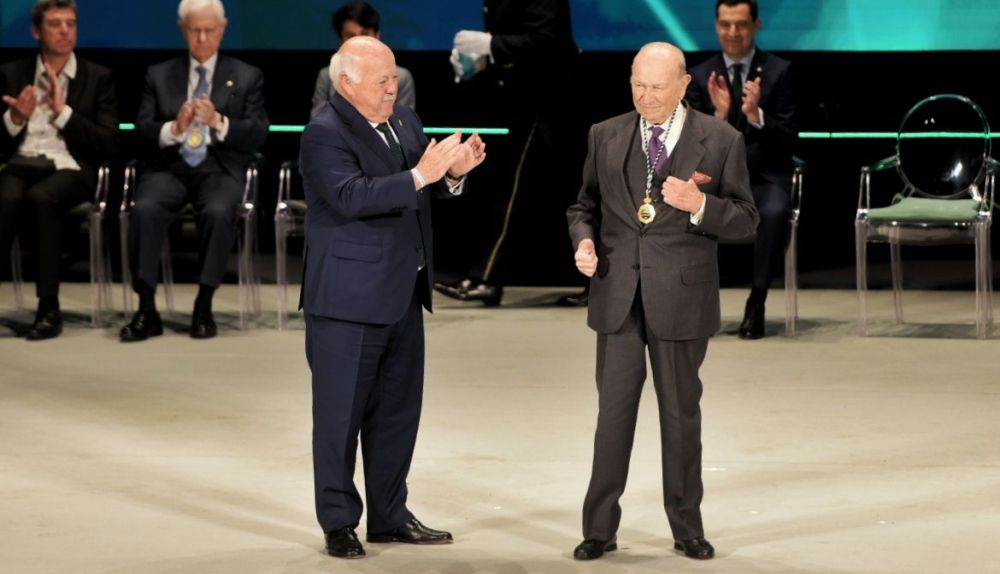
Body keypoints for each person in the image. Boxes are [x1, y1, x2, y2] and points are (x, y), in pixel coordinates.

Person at [566, 42, 758, 561]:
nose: (645, 97)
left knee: (680, 416)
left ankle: (686, 527)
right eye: (637, 85)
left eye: (656, 87)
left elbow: (746, 219)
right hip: (618, 294)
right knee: (613, 417)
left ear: (682, 85)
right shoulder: (603, 134)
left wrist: (702, 206)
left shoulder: (720, 140)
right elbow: (582, 206)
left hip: (681, 297)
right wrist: (583, 241)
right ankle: (598, 529)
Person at [299, 36, 485, 559]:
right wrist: (422, 174)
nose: (391, 86)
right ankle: (338, 522)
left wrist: (449, 177)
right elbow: (351, 196)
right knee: (340, 419)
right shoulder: (323, 133)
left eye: (394, 77)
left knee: (398, 414)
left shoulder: (405, 120)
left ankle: (389, 515)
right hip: (346, 303)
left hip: (404, 293)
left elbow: (418, 190)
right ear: (347, 83)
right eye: (380, 80)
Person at [120, 0, 268, 342]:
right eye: (194, 30)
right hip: (169, 167)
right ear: (183, 29)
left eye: (209, 30)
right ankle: (146, 308)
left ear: (223, 29)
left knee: (218, 211)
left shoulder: (246, 75)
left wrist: (218, 120)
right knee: (145, 209)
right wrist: (175, 126)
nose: (202, 38)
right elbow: (141, 128)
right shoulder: (158, 74)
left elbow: (258, 132)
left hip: (219, 166)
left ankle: (204, 305)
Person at [435, 0, 580, 306]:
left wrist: (491, 45)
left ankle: (487, 279)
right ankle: (597, 281)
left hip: (549, 103)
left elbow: (547, 41)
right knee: (559, 193)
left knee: (515, 190)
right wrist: (484, 60)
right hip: (525, 101)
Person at [0, 0, 117, 340]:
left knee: (42, 198)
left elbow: (107, 143)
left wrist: (63, 112)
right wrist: (15, 119)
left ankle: (48, 306)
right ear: (37, 31)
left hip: (70, 167)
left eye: (70, 23)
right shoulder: (12, 74)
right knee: (5, 198)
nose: (65, 31)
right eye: (55, 24)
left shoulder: (98, 77)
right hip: (21, 161)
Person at [685, 0, 796, 339]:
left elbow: (790, 137)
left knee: (775, 212)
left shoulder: (780, 70)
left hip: (763, 177)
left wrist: (755, 117)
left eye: (741, 24)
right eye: (726, 24)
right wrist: (717, 119)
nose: (733, 33)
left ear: (756, 25)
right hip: (715, 182)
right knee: (679, 208)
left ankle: (757, 301)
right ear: (717, 25)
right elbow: (689, 144)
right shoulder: (701, 75)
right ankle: (694, 304)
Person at [310, 2, 415, 118]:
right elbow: (317, 121)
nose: (358, 41)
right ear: (341, 39)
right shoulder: (327, 75)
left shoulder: (401, 77)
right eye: (350, 36)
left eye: (365, 34)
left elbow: (404, 124)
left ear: (377, 36)